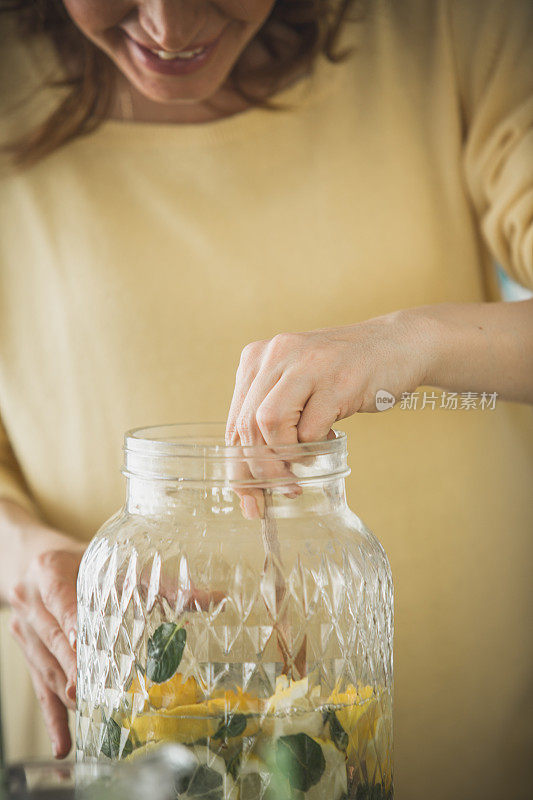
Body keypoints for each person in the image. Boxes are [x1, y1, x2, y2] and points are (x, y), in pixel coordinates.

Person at [0, 1, 532, 798]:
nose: (169, 28)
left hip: (485, 740)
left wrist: (412, 341)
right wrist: (17, 556)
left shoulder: (450, 22)